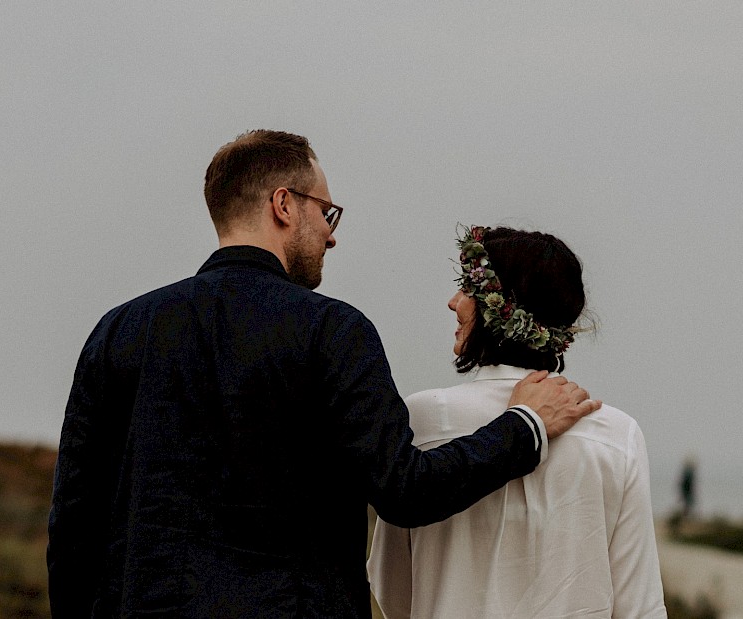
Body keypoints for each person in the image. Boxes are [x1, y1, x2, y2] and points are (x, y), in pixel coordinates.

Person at [47, 131, 601, 618]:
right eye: (327, 213)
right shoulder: (333, 332)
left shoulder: (118, 331)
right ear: (284, 204)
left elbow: (73, 526)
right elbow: (405, 490)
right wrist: (523, 428)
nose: (332, 235)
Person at [368, 225, 666, 618]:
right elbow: (639, 605)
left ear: (498, 306)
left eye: (467, 289)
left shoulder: (423, 418)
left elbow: (392, 590)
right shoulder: (617, 434)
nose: (453, 302)